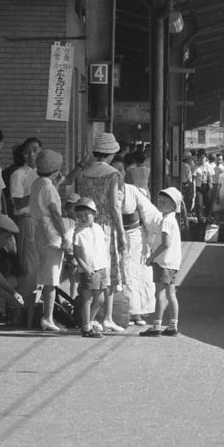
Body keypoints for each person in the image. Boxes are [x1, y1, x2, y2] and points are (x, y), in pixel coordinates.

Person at [74, 132, 126, 332]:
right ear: (111, 154)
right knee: (108, 269)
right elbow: (114, 206)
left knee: (92, 268)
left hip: (86, 224)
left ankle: (92, 317)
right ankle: (107, 317)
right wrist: (121, 232)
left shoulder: (85, 172)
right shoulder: (114, 174)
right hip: (105, 225)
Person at [112, 156, 160, 326]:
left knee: (136, 273)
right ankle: (121, 313)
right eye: (114, 169)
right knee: (119, 272)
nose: (118, 173)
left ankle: (137, 313)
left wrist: (160, 224)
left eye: (121, 169)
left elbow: (149, 212)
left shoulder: (133, 190)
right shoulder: (107, 191)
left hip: (135, 237)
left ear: (125, 172)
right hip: (114, 235)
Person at [30, 149, 72, 333]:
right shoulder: (49, 188)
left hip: (39, 231)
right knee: (51, 278)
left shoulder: (38, 183)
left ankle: (49, 316)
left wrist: (57, 182)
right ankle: (48, 317)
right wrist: (64, 236)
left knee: (48, 276)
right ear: (55, 169)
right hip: (51, 234)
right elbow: (55, 212)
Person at [142, 187, 183, 337]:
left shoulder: (166, 221)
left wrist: (152, 257)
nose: (160, 204)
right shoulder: (172, 220)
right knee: (171, 294)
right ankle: (173, 325)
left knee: (159, 294)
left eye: (164, 202)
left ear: (173, 205)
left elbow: (165, 243)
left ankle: (156, 326)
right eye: (159, 201)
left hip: (162, 261)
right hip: (173, 262)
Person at [9, 137, 42, 308]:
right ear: (23, 154)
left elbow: (65, 182)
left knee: (39, 266)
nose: (31, 154)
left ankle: (34, 305)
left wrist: (80, 166)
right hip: (27, 220)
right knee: (28, 266)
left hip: (42, 222)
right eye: (27, 151)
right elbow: (18, 203)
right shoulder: (18, 174)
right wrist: (37, 191)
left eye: (35, 150)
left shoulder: (44, 173)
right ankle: (23, 306)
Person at [72, 197, 109, 337]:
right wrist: (85, 268)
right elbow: (77, 254)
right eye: (79, 216)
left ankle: (88, 322)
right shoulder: (78, 233)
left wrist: (105, 266)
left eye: (86, 215)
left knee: (100, 299)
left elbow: (101, 248)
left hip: (101, 268)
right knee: (87, 299)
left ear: (94, 214)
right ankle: (86, 328)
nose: (83, 218)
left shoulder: (99, 228)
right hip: (88, 269)